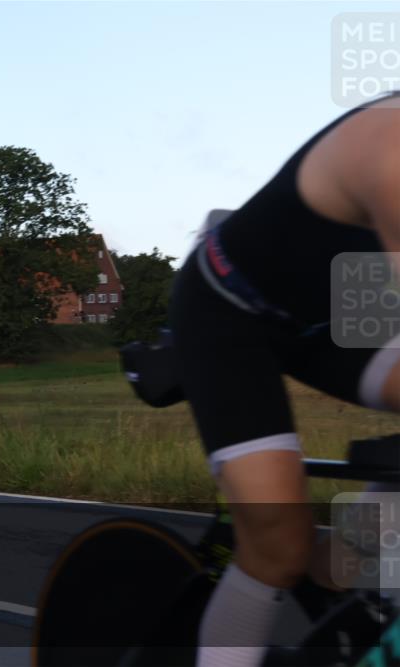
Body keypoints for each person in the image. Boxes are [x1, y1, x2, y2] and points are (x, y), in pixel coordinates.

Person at [168, 91, 400, 667]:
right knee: (278, 546)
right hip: (229, 313)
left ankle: (346, 566)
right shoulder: (391, 148)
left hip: (332, 315)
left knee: (338, 565)